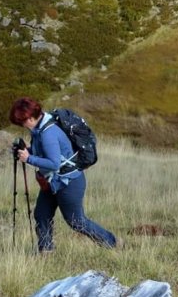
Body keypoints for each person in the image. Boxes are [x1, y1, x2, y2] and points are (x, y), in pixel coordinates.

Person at [8, 97, 117, 252]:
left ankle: (112, 243)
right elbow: (46, 152)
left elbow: (54, 163)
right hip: (53, 181)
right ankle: (45, 251)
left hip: (68, 183)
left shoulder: (48, 133)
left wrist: (29, 158)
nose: (22, 126)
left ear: (30, 118)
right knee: (41, 214)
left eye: (22, 122)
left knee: (76, 221)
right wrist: (27, 150)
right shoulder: (40, 128)